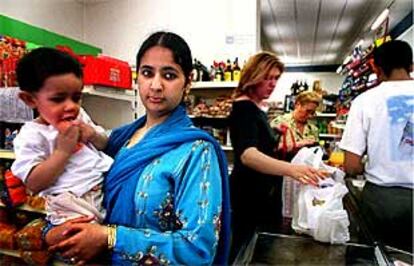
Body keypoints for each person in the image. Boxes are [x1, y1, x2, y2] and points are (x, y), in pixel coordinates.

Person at [47, 31, 231, 265]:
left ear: (188, 81)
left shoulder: (196, 152)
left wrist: (110, 237)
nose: (155, 85)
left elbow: (197, 249)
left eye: (169, 75)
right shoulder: (119, 139)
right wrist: (58, 231)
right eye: (147, 73)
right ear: (137, 78)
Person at [228, 51, 327, 261]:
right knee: (246, 252)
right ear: (254, 75)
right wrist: (293, 170)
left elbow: (262, 148)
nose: (272, 83)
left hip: (262, 194)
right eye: (268, 77)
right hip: (249, 197)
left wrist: (278, 140)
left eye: (276, 78)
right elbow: (248, 155)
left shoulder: (256, 109)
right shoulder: (244, 108)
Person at [11, 47, 113, 244]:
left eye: (76, 97)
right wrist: (62, 152)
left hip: (101, 190)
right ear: (30, 99)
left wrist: (91, 134)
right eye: (58, 99)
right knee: (83, 245)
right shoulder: (31, 135)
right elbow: (34, 183)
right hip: (69, 205)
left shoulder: (80, 116)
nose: (71, 106)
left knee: (106, 244)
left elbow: (105, 144)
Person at [339, 40, 413, 252]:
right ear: (411, 66)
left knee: (378, 256)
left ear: (375, 68)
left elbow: (351, 165)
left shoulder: (365, 101)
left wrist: (370, 164)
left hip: (383, 202)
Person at [270, 90, 321, 161]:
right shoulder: (279, 122)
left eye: (313, 113)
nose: (310, 116)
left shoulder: (313, 129)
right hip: (283, 167)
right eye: (308, 111)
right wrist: (298, 144)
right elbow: (268, 149)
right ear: (297, 105)